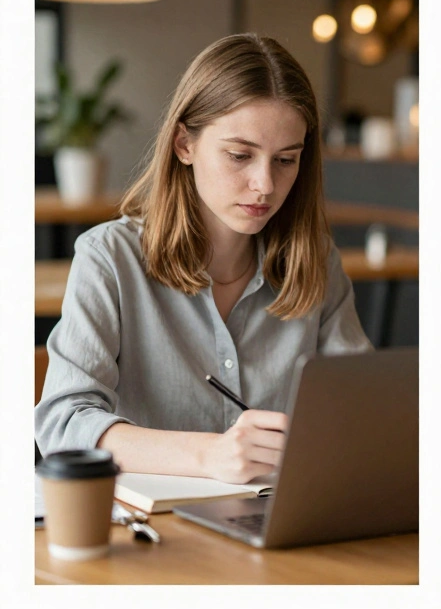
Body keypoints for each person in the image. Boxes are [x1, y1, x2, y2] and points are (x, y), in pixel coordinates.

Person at [35, 34, 372, 484]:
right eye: (239, 155)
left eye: (285, 160)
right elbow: (63, 425)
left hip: (279, 514)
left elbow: (361, 408)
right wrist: (208, 455)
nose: (265, 184)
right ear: (184, 145)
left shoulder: (317, 261)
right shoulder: (110, 258)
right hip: (153, 522)